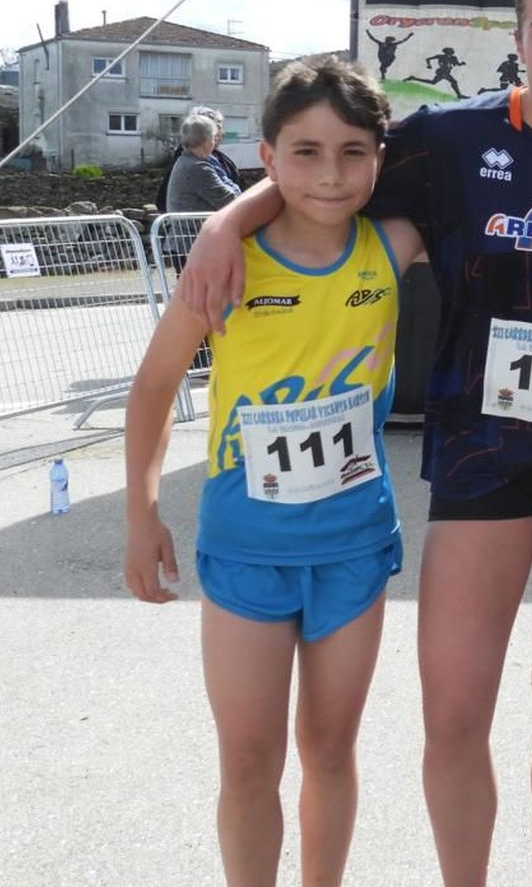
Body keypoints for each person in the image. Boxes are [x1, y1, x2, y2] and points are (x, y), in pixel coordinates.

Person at [177, 0, 532, 887]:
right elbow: (328, 171)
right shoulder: (448, 139)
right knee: (455, 718)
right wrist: (226, 221)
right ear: (518, 42)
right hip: (480, 454)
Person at [123, 56, 425, 887]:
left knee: (329, 750)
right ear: (265, 156)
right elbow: (152, 388)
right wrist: (141, 514)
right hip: (247, 550)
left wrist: (231, 211)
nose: (330, 175)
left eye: (353, 153)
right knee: (249, 762)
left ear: (379, 157)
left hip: (353, 547)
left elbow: (461, 148)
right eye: (305, 153)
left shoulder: (395, 244)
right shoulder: (226, 266)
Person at [154, 105, 242, 214]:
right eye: (213, 138)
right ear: (205, 141)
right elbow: (230, 201)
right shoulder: (198, 167)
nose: (215, 141)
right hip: (200, 225)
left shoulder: (185, 160)